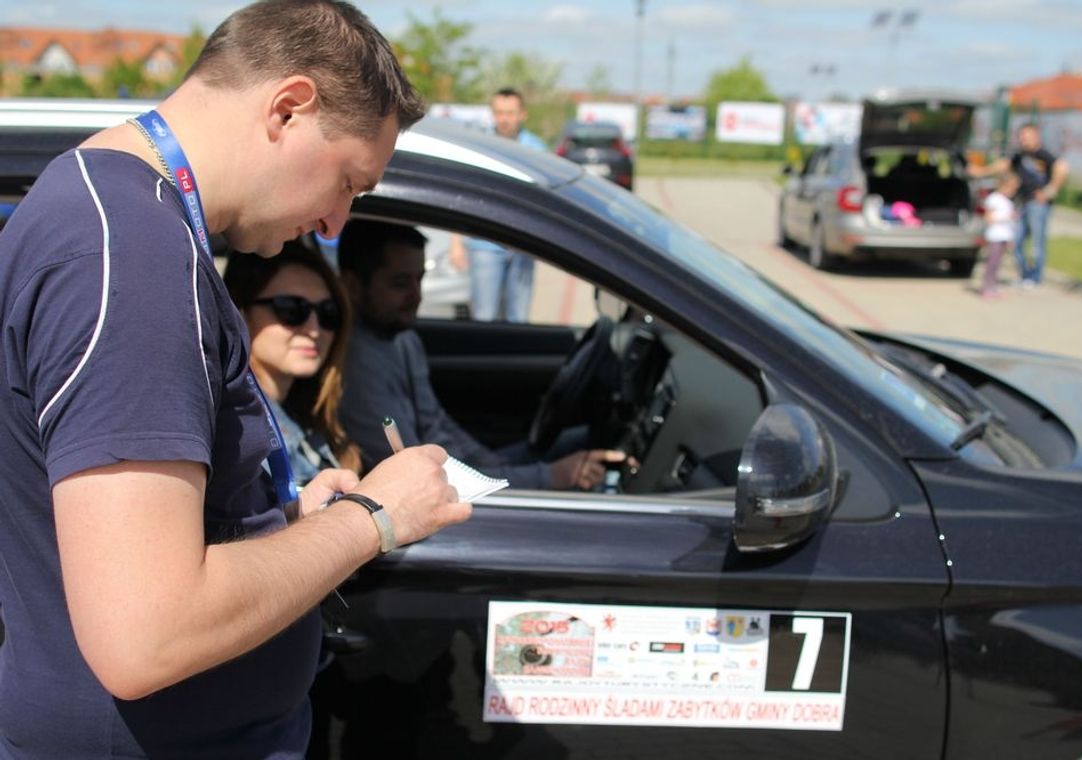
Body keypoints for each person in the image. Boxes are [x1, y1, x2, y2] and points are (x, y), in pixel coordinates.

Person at [0, 2, 471, 757]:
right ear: (288, 107)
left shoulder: (103, 209)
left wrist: (285, 524)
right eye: (349, 181)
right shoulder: (133, 262)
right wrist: (373, 519)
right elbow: (145, 634)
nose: (334, 225)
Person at [338, 219, 628, 490]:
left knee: (575, 442)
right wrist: (549, 475)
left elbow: (437, 427)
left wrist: (497, 466)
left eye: (420, 279)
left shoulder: (402, 338)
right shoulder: (356, 367)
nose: (417, 295)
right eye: (400, 284)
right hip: (423, 501)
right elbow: (409, 472)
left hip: (448, 479)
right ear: (353, 287)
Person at [223, 238, 361, 483]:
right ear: (240, 313)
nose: (314, 329)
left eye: (328, 312)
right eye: (291, 309)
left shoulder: (306, 415)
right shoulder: (241, 434)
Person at [449, 87, 547, 322]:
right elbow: (462, 195)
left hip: (523, 246)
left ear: (523, 114)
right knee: (484, 316)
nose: (504, 119)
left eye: (510, 113)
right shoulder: (480, 147)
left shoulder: (536, 150)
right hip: (485, 243)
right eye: (499, 113)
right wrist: (456, 243)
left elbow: (543, 201)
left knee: (519, 318)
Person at [969, 123, 1069, 288]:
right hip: (1022, 203)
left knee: (1037, 243)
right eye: (1021, 136)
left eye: (1026, 135)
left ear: (1036, 136)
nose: (1023, 139)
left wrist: (1049, 191)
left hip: (1038, 204)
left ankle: (1035, 277)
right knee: (1017, 241)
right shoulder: (1020, 155)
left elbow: (1062, 167)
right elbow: (1003, 164)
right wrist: (982, 171)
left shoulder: (1043, 154)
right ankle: (1025, 275)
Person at [978, 172, 1020, 299]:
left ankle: (994, 287)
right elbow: (988, 218)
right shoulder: (994, 199)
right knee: (992, 263)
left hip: (1004, 236)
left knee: (998, 264)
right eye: (1011, 187)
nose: (1013, 191)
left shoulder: (1008, 201)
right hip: (995, 236)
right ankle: (987, 287)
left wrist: (1010, 238)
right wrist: (1006, 217)